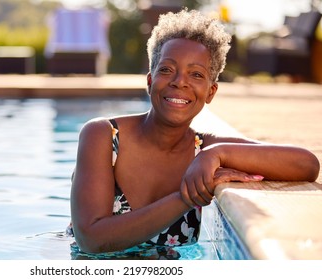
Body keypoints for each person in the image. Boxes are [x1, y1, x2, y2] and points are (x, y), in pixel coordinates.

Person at [68, 8, 320, 255]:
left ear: (211, 92)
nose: (180, 81)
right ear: (149, 81)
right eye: (166, 70)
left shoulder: (203, 148)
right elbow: (92, 239)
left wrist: (215, 153)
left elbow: (306, 163)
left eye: (196, 74)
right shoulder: (102, 135)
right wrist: (186, 197)